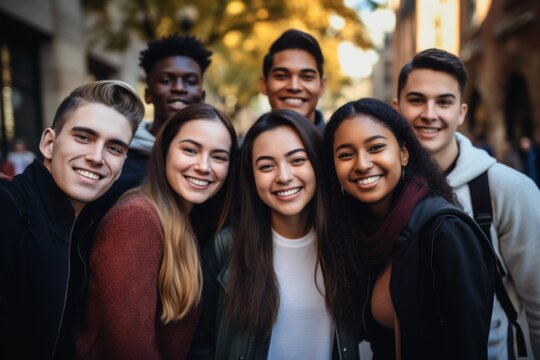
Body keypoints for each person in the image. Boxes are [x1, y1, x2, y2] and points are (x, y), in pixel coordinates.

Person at [393, 48, 540, 359]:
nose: (429, 113)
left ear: (461, 112)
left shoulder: (508, 189)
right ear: (397, 108)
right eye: (416, 99)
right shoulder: (382, 190)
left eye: (443, 102)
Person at [322, 98, 495, 359]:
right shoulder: (361, 234)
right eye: (346, 154)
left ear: (403, 153)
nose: (362, 163)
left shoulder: (444, 231)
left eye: (376, 147)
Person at [189, 110, 358, 359]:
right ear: (252, 177)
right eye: (267, 166)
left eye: (297, 160)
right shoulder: (226, 247)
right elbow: (201, 345)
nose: (284, 176)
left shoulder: (346, 242)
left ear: (318, 164)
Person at [76, 103, 238, 359]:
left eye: (218, 156)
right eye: (190, 150)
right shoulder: (137, 219)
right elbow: (131, 350)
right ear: (164, 151)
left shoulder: (187, 221)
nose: (204, 166)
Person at [0, 80, 145, 359]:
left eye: (114, 148)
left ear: (123, 163)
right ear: (49, 143)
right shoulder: (8, 208)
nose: (96, 157)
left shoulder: (90, 222)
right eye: (84, 137)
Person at [119, 33, 212, 191]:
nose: (179, 88)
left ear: (202, 96)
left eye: (190, 81)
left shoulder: (217, 162)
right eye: (166, 80)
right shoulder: (120, 158)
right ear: (148, 94)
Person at [261, 29, 326, 130]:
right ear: (264, 84)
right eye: (281, 76)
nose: (294, 87)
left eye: (307, 77)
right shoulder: (245, 145)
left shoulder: (338, 144)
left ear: (322, 86)